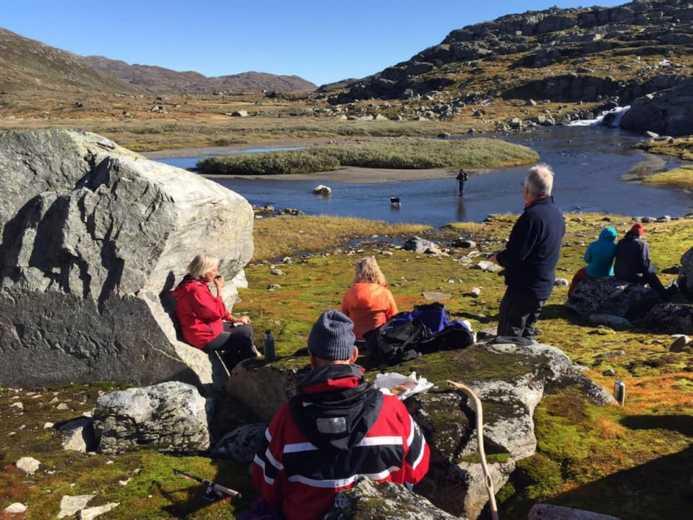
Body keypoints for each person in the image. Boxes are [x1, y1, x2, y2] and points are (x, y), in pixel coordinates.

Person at [251, 311, 430, 520]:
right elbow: (418, 468)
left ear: (311, 357)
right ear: (353, 355)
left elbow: (266, 483)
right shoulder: (392, 409)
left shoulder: (287, 418)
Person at [491, 164, 565, 338]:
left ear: (528, 190)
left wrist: (498, 258)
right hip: (542, 287)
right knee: (526, 335)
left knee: (508, 338)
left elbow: (515, 256)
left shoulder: (531, 218)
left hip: (523, 289)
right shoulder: (556, 215)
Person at [172, 255, 256, 372]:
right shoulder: (195, 290)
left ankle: (234, 363)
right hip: (204, 337)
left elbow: (214, 311)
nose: (217, 273)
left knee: (245, 329)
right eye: (214, 270)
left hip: (208, 329)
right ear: (203, 271)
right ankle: (248, 372)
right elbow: (216, 313)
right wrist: (219, 290)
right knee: (244, 337)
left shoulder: (194, 284)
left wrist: (234, 319)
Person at [341, 256, 398, 341]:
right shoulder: (385, 293)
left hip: (354, 340)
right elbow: (394, 318)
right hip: (378, 340)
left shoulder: (350, 292)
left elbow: (343, 317)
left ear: (358, 273)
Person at [614, 223, 668, 298]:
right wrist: (653, 271)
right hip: (631, 276)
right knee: (651, 275)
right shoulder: (642, 244)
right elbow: (645, 263)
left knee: (648, 272)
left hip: (618, 274)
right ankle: (664, 295)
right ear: (640, 234)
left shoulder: (621, 242)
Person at [569, 226, 618, 296]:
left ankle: (571, 295)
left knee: (577, 276)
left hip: (591, 273)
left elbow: (586, 259)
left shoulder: (593, 245)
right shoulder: (615, 247)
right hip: (608, 274)